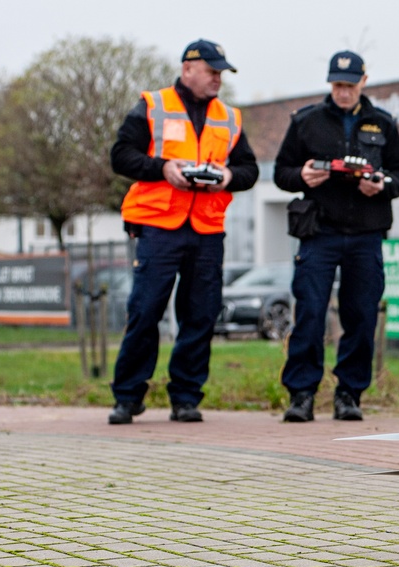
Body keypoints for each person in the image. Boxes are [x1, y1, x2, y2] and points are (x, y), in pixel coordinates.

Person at [107, 39, 259, 424]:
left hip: (207, 227)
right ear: (188, 68)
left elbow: (249, 170)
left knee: (201, 314)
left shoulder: (229, 117)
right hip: (159, 225)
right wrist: (163, 168)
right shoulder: (153, 105)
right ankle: (128, 397)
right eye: (212, 71)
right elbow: (121, 155)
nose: (217, 79)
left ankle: (186, 398)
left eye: (221, 73)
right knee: (145, 309)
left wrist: (226, 176)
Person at [274, 50, 399, 422]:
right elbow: (281, 173)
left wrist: (381, 185)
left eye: (350, 85)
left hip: (366, 234)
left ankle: (349, 394)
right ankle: (301, 394)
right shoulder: (306, 121)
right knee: (311, 314)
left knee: (361, 315)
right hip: (319, 232)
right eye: (337, 85)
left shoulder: (382, 123)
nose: (343, 91)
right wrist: (302, 176)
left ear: (364, 82)